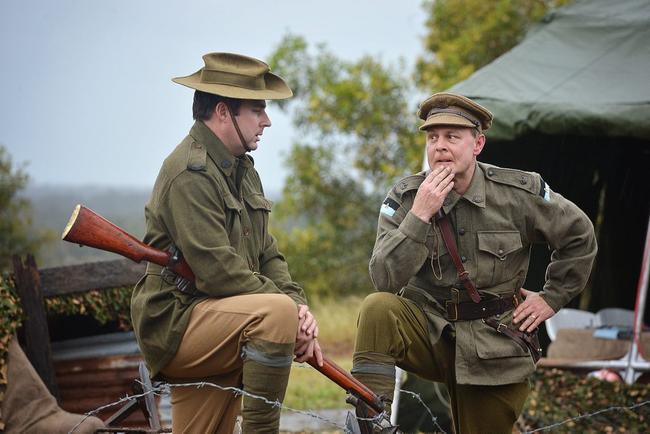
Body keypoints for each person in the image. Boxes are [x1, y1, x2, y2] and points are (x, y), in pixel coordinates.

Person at [351, 92, 597, 433]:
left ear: (477, 143)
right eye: (433, 137)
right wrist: (420, 215)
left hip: (494, 342)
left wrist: (552, 297)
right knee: (378, 308)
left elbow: (580, 235)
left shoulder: (517, 193)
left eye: (452, 137)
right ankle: (369, 420)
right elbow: (384, 279)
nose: (439, 146)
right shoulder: (408, 197)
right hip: (430, 331)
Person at [130, 52, 322, 434]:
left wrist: (299, 308)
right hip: (178, 321)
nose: (266, 121)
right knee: (274, 316)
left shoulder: (243, 169)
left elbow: (268, 254)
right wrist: (286, 313)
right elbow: (219, 271)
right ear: (222, 112)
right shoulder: (189, 172)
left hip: (220, 316)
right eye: (257, 110)